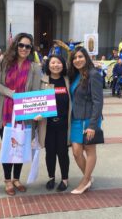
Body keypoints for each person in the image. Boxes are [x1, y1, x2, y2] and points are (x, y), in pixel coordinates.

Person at [0, 33, 41, 196]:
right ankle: (7, 180)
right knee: (8, 146)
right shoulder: (4, 62)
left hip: (25, 112)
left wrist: (37, 111)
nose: (24, 49)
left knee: (21, 145)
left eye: (28, 46)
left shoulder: (35, 67)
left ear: (31, 49)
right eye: (21, 45)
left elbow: (36, 91)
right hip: (5, 110)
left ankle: (16, 178)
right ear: (16, 45)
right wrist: (10, 93)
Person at [68, 47, 103, 194]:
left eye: (80, 56)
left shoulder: (93, 74)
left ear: (86, 57)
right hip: (76, 119)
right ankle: (88, 177)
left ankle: (85, 180)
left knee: (89, 150)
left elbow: (98, 101)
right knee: (76, 152)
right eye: (75, 58)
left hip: (89, 120)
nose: (77, 60)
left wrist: (93, 125)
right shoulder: (76, 75)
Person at [38, 55, 71, 192]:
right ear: (48, 64)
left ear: (63, 65)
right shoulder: (42, 81)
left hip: (64, 124)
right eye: (53, 62)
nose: (55, 65)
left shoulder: (67, 80)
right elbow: (35, 101)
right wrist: (36, 113)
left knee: (63, 152)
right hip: (48, 125)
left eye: (59, 62)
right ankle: (51, 177)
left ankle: (64, 179)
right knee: (50, 152)